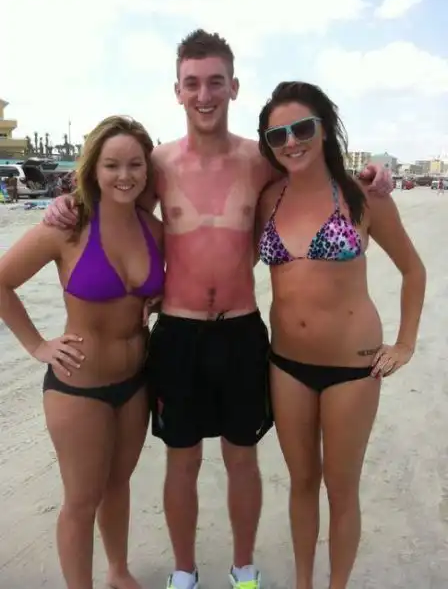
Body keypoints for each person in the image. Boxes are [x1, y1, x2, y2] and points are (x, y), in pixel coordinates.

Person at [43, 30, 392, 589]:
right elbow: (115, 201)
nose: (203, 95)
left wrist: (371, 173)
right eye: (192, 84)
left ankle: (243, 568)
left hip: (241, 330)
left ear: (233, 86)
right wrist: (67, 203)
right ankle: (184, 571)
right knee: (181, 461)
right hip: (178, 333)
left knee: (242, 458)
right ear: (177, 91)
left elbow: (313, 175)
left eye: (214, 82)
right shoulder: (158, 164)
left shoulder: (259, 161)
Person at [256, 81, 426, 589]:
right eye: (277, 135)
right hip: (286, 364)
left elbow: (413, 270)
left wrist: (405, 344)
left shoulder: (362, 195)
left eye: (302, 128)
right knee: (301, 483)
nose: (291, 141)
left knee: (340, 487)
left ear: (324, 129)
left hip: (353, 366)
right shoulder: (268, 197)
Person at [0, 116, 164, 589]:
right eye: (112, 165)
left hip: (135, 383)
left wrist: (158, 299)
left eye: (135, 164)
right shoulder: (67, 226)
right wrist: (37, 345)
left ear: (147, 170)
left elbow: (167, 287)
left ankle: (117, 571)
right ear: (93, 168)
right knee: (81, 499)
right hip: (79, 388)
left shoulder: (155, 231)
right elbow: (3, 283)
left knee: (118, 486)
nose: (124, 175)